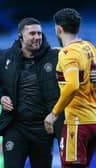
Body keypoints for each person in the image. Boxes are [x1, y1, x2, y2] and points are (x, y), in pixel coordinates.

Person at [0, 17, 63, 168]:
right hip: (15, 126)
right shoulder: (6, 57)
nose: (37, 37)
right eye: (32, 34)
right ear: (21, 36)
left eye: (39, 33)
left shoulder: (55, 57)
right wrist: (1, 97)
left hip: (43, 128)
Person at [44, 8, 96, 168]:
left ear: (58, 29)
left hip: (77, 122)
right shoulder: (89, 48)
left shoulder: (68, 54)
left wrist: (54, 114)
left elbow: (72, 86)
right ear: (78, 28)